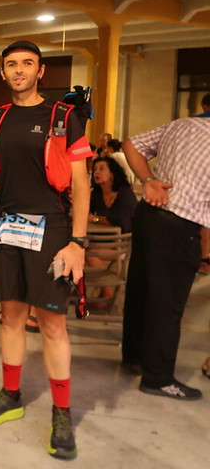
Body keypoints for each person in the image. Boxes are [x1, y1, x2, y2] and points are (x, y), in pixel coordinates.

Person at [0, 40, 91, 461]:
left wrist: (78, 243)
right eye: (11, 64)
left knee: (53, 324)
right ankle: (11, 394)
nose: (18, 70)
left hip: (51, 230)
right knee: (11, 317)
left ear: (40, 71)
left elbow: (81, 185)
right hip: (8, 228)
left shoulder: (64, 117)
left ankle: (62, 412)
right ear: (3, 72)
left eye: (27, 64)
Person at [121, 115, 210, 400]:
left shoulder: (182, 124)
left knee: (140, 292)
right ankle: (158, 378)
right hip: (180, 224)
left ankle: (134, 358)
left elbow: (130, 144)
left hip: (149, 214)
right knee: (167, 305)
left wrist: (148, 180)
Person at [88, 157, 137, 234]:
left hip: (126, 237)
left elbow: (122, 221)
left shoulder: (125, 193)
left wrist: (96, 219)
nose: (96, 172)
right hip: (103, 234)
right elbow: (87, 213)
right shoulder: (96, 193)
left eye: (101, 169)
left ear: (112, 173)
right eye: (95, 169)